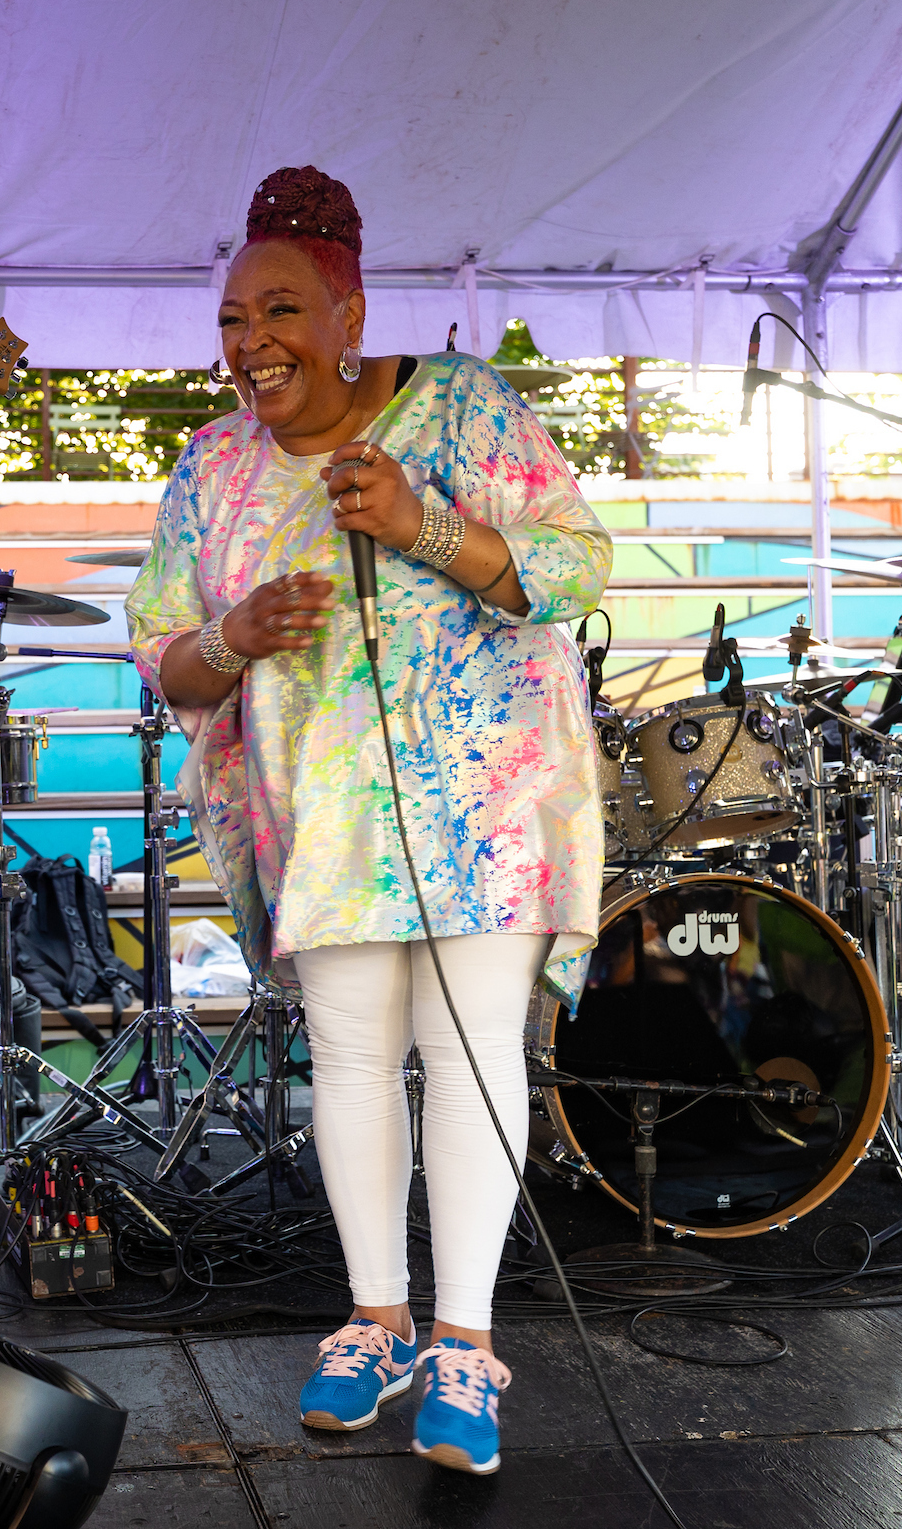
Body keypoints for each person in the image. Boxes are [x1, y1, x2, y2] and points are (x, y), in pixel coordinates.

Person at [126, 167, 609, 1476]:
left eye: (279, 309)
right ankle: (375, 1321)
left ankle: (464, 1345)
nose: (250, 343)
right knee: (348, 1062)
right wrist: (228, 636)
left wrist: (425, 524)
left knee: (467, 1059)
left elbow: (577, 563)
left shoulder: (463, 406)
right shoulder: (214, 467)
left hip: (489, 801)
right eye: (231, 319)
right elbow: (159, 659)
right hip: (323, 812)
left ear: (347, 313)